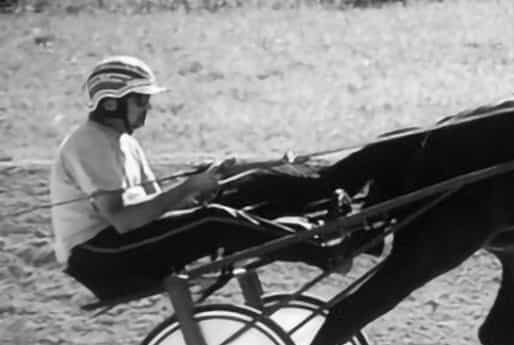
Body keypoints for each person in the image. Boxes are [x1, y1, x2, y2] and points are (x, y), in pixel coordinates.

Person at [49, 55, 339, 302]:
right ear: (111, 103)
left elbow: (160, 207)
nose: (148, 108)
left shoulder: (125, 143)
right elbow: (124, 220)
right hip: (98, 260)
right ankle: (324, 252)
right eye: (141, 100)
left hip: (119, 247)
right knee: (213, 220)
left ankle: (315, 228)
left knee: (232, 200)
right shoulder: (89, 143)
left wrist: (211, 183)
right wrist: (187, 188)